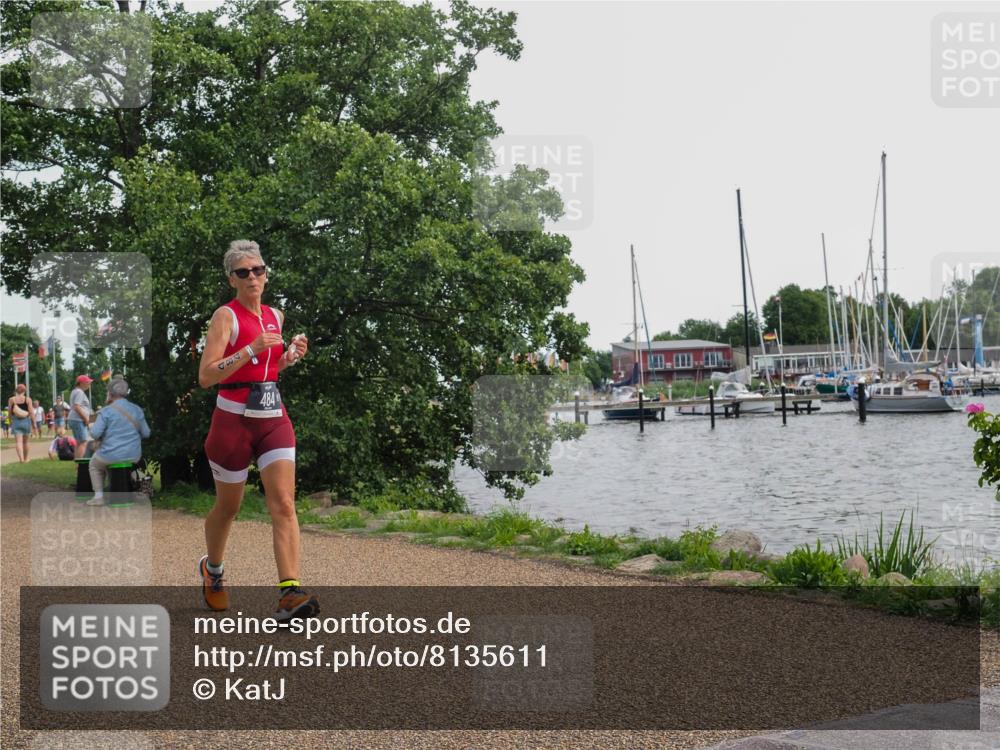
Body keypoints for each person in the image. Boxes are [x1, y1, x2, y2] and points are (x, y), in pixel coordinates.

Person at [198, 239, 315, 622]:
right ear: (232, 279)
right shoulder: (225, 318)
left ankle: (289, 594)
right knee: (228, 508)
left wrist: (289, 358)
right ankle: (213, 572)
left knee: (282, 503)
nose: (253, 277)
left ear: (267, 274)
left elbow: (270, 369)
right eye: (244, 272)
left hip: (273, 418)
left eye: (259, 270)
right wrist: (249, 349)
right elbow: (206, 376)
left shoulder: (275, 316)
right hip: (232, 423)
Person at [86, 378, 150, 506]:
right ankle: (130, 489)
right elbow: (146, 433)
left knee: (94, 465)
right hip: (134, 455)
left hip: (110, 454)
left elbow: (95, 434)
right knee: (115, 463)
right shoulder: (137, 409)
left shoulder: (106, 411)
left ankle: (98, 497)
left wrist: (91, 427)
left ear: (110, 393)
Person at [67, 375, 93, 459]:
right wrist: (85, 418)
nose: (89, 384)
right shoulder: (80, 392)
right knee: (83, 442)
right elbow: (77, 407)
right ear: (81, 383)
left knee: (79, 442)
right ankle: (80, 464)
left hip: (74, 419)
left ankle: (77, 463)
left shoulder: (75, 391)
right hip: (78, 420)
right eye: (87, 382)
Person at [8, 384, 34, 463]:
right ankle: (25, 459)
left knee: (18, 442)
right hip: (26, 421)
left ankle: (21, 459)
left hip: (16, 421)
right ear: (24, 391)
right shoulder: (28, 399)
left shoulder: (11, 399)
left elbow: (9, 412)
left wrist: (10, 421)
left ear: (16, 390)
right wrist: (34, 424)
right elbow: (31, 412)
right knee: (26, 442)